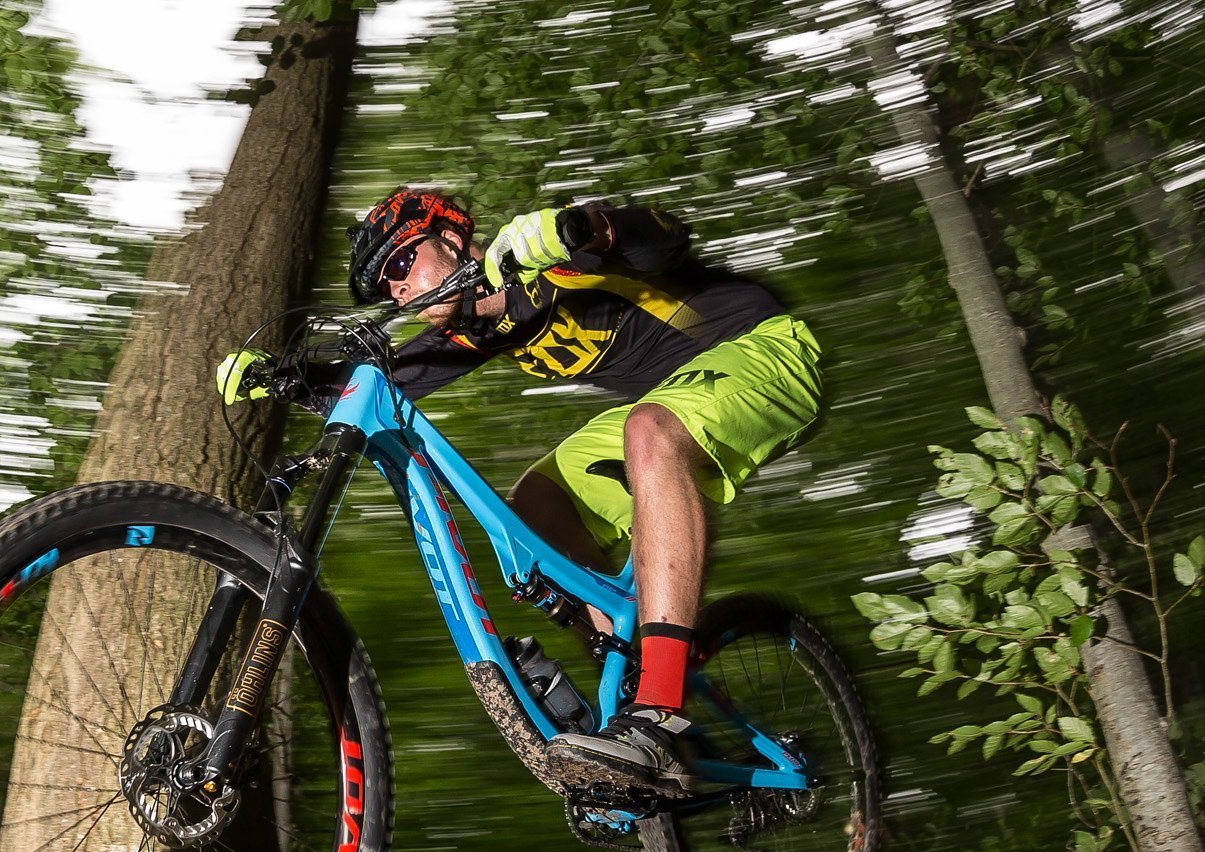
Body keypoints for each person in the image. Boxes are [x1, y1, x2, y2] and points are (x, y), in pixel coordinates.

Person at [221, 188, 824, 795]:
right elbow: (373, 385)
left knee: (649, 431)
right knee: (537, 506)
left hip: (763, 350)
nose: (398, 291)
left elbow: (662, 237)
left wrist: (584, 226)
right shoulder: (472, 330)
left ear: (451, 239)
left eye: (402, 264)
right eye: (387, 287)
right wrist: (281, 378)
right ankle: (635, 708)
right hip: (672, 400)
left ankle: (659, 712)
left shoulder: (547, 260)